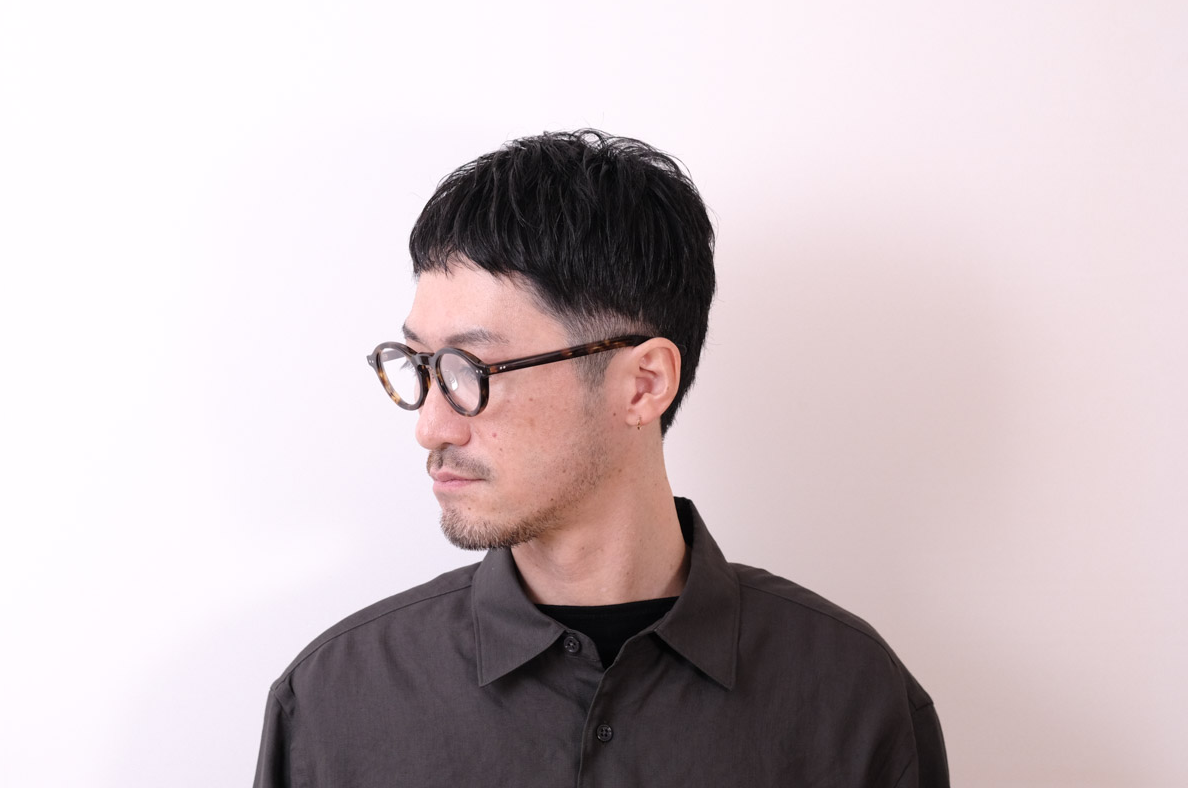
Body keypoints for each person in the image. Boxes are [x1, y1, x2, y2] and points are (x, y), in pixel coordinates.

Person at [253, 130, 949, 787]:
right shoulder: (333, 702)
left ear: (643, 384)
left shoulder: (852, 699)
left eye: (471, 369)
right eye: (422, 365)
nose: (431, 426)